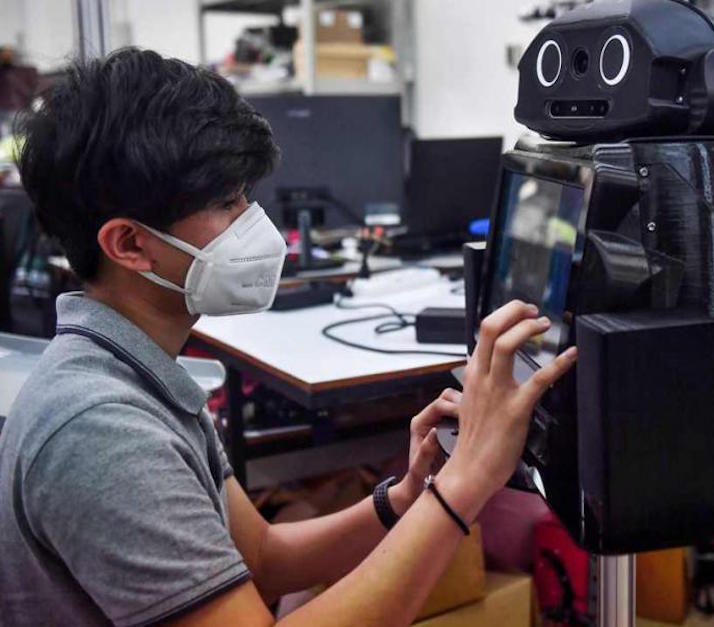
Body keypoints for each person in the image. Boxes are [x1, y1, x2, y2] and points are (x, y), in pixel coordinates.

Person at [0, 48, 577, 626]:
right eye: (227, 203)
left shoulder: (135, 371)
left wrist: (408, 498)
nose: (255, 223)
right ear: (128, 244)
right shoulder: (101, 429)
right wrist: (467, 482)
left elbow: (261, 557)